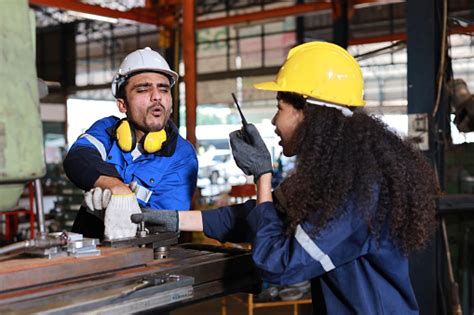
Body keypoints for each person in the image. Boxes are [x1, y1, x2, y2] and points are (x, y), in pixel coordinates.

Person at [131, 42, 440, 314]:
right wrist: (173, 220)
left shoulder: (357, 192)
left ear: (307, 111)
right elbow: (264, 215)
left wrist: (263, 176)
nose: (274, 121)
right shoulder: (337, 177)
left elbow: (276, 264)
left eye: (279, 107)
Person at [64, 47, 198, 240]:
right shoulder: (106, 129)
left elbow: (166, 225)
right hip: (87, 248)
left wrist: (121, 210)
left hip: (144, 257)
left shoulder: (181, 154)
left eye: (163, 89)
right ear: (122, 104)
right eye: (143, 89)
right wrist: (116, 188)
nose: (157, 96)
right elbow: (78, 159)